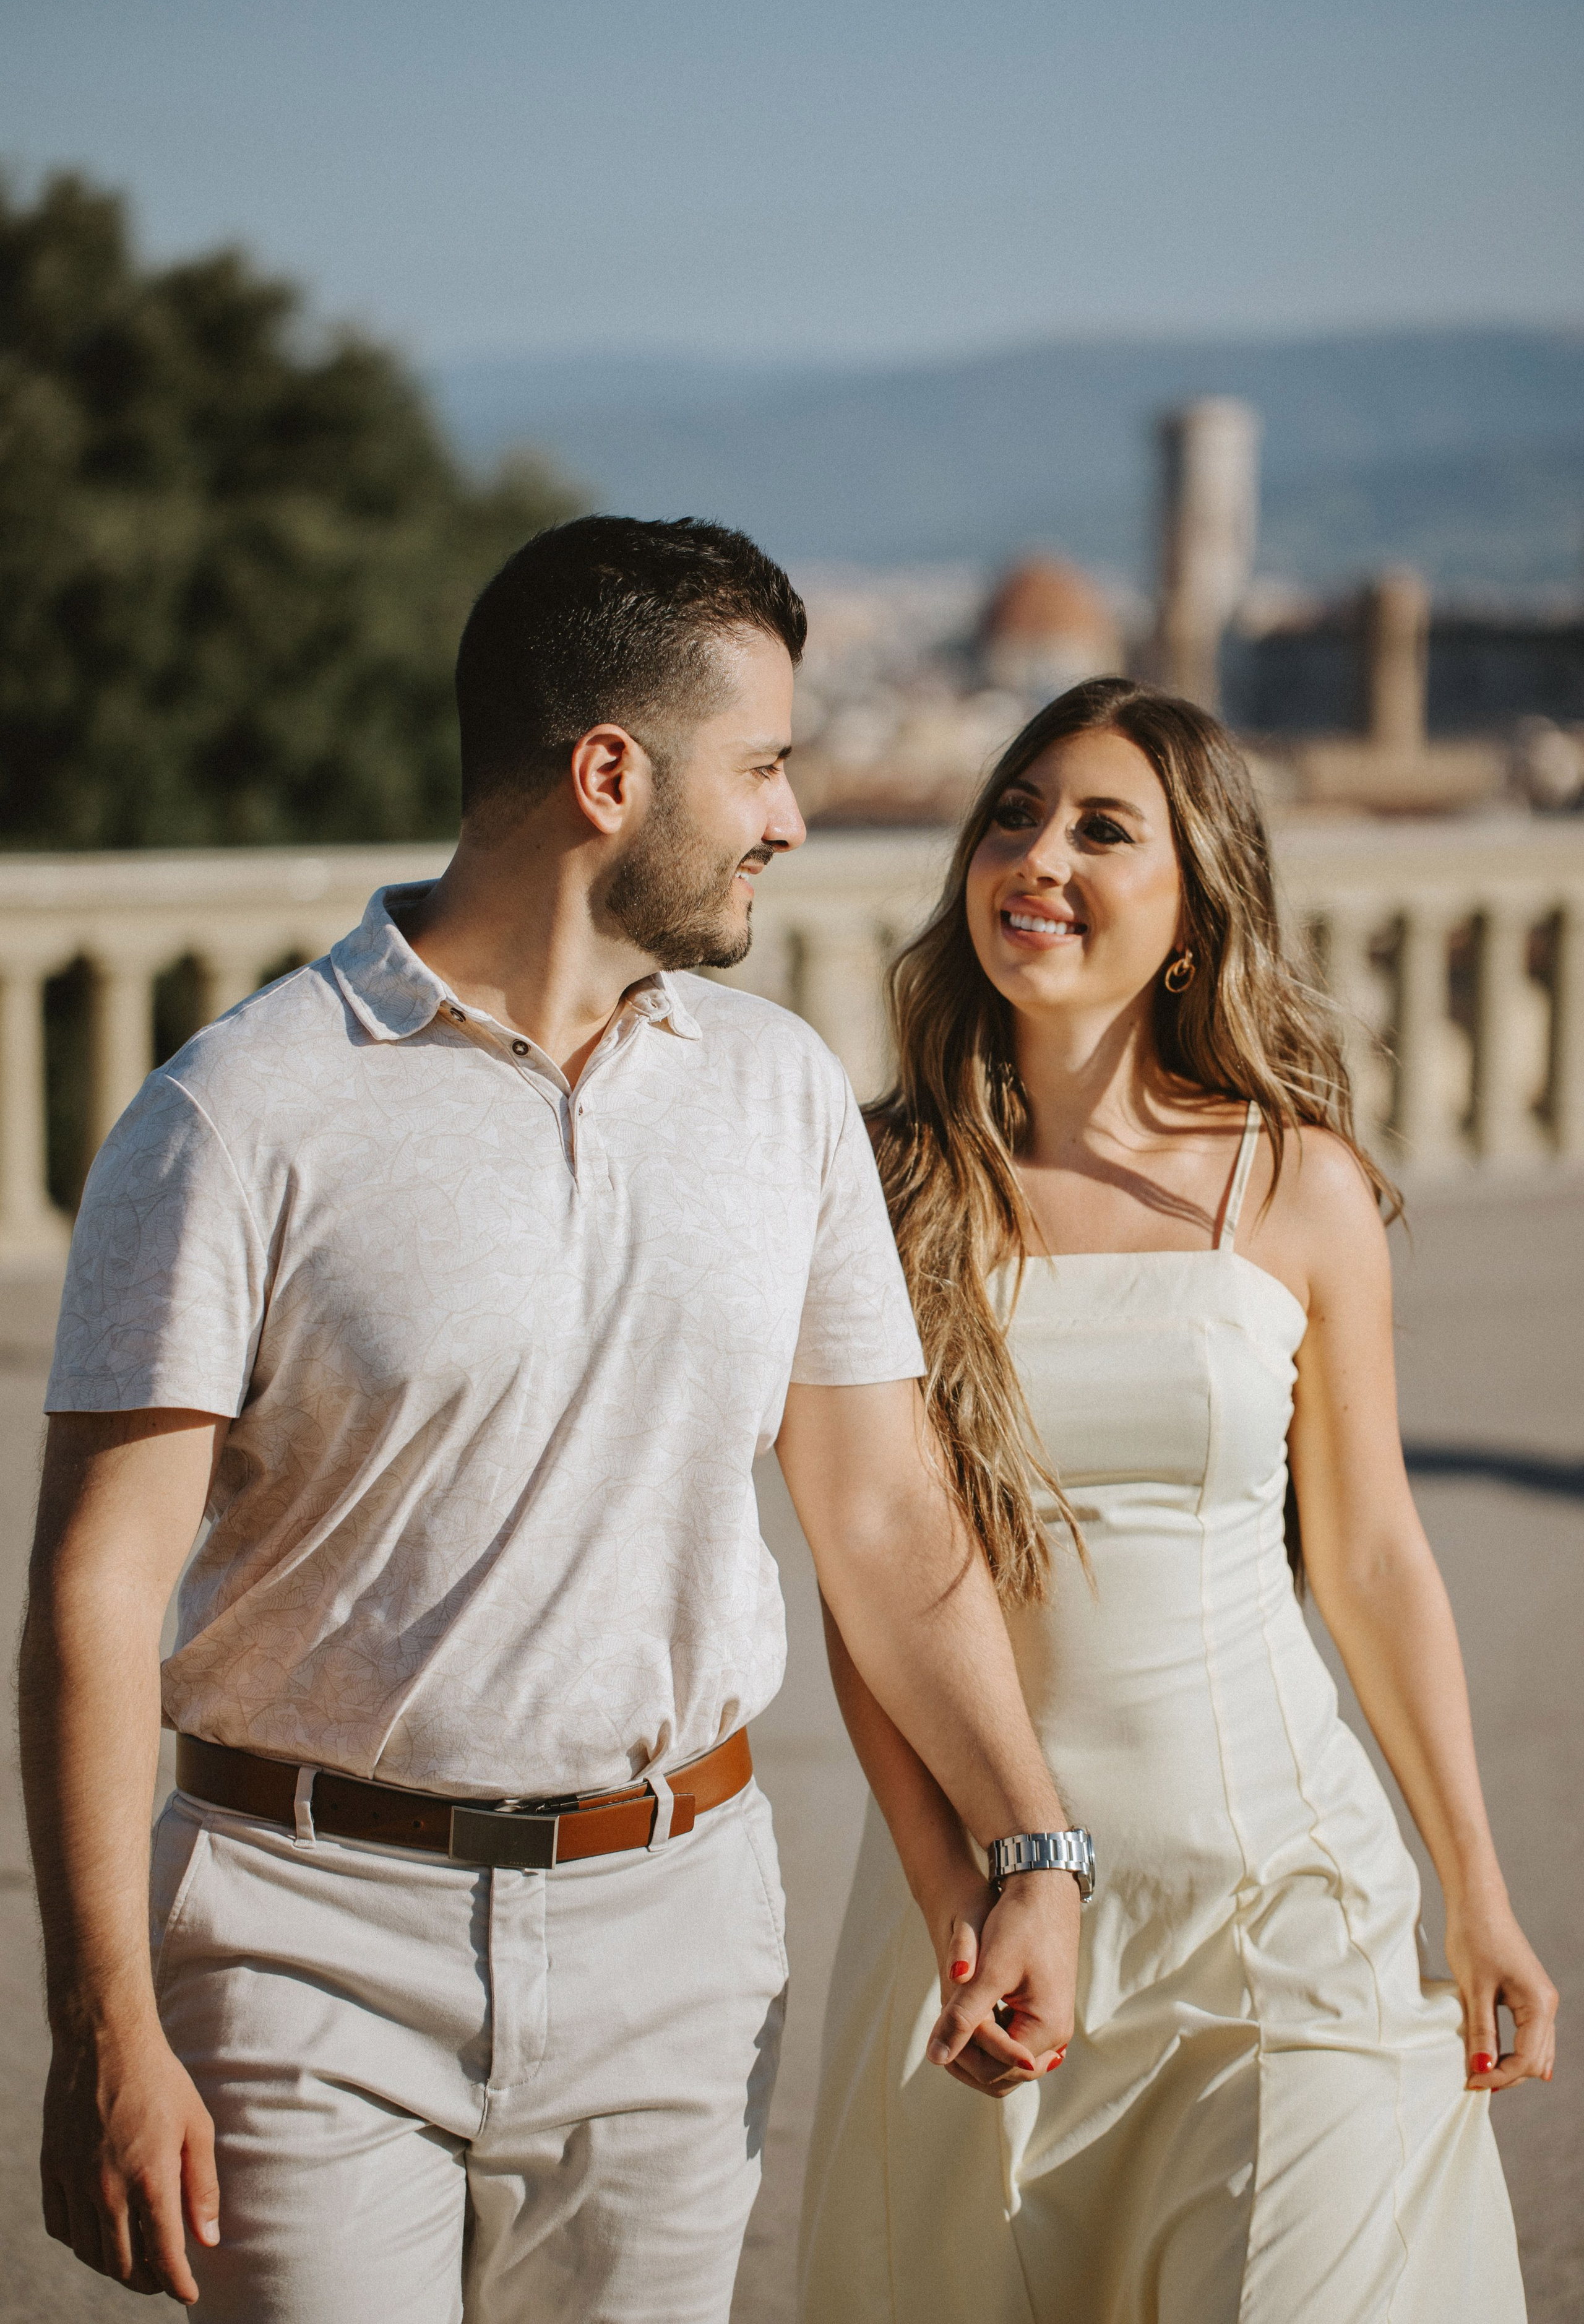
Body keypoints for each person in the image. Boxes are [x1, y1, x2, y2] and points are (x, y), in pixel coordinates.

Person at [20, 516, 1085, 2324]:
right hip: (300, 1941)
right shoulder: (236, 1117)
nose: (791, 818)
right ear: (610, 777)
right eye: (760, 766)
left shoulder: (781, 1097)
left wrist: (1030, 1846)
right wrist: (105, 2022)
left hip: (678, 1945)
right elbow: (96, 1594)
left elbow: (888, 1516)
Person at [799, 677, 1557, 2323]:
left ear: (1197, 912)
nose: (1038, 857)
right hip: (983, 1907)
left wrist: (1477, 1889)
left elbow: (1371, 1556)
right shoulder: (879, 1188)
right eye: (1014, 816)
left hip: (1280, 1892)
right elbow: (868, 1584)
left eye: (1101, 829)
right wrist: (954, 1903)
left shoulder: (1296, 1182)